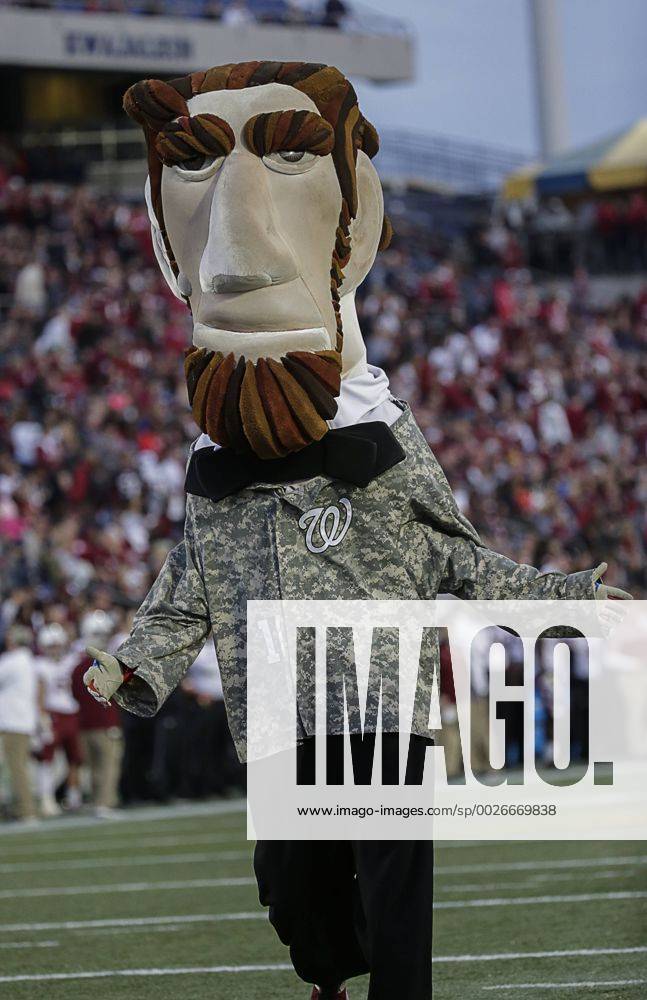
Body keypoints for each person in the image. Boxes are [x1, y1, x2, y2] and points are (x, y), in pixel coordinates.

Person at [83, 62, 632, 1000]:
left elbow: (458, 557)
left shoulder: (384, 438)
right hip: (276, 710)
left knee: (394, 880)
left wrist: (576, 598)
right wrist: (141, 661)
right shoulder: (214, 467)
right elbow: (192, 578)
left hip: (380, 695)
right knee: (289, 891)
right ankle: (329, 972)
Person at [71, 610, 122, 816]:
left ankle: (96, 802)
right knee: (109, 766)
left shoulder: (76, 668)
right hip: (106, 723)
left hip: (85, 725)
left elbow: (74, 696)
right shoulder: (109, 664)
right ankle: (105, 803)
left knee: (93, 768)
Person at [36, 622, 82, 814]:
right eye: (51, 645)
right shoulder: (39, 665)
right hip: (52, 714)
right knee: (46, 759)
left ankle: (73, 797)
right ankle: (46, 798)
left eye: (57, 645)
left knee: (75, 759)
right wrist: (42, 716)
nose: (55, 649)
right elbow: (39, 693)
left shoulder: (71, 660)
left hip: (72, 713)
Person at [0, 625, 40, 822]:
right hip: (22, 721)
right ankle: (23, 807)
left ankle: (26, 809)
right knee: (19, 767)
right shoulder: (27, 660)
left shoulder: (13, 660)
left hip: (13, 722)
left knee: (17, 768)